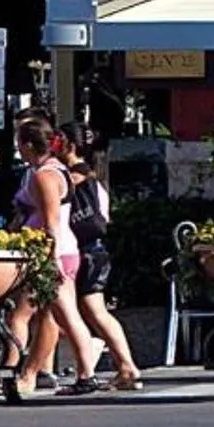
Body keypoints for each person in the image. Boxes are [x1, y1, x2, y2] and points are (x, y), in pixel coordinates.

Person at [8, 115, 103, 397]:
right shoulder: (56, 170)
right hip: (62, 249)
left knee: (66, 316)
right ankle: (50, 374)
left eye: (19, 144)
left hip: (55, 251)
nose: (18, 150)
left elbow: (50, 221)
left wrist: (51, 260)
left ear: (28, 144)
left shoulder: (45, 175)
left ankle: (86, 374)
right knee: (58, 316)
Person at [62, 143, 143, 391]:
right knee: (88, 311)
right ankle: (123, 365)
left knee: (87, 311)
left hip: (84, 250)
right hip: (94, 250)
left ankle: (122, 365)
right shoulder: (94, 180)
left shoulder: (73, 177)